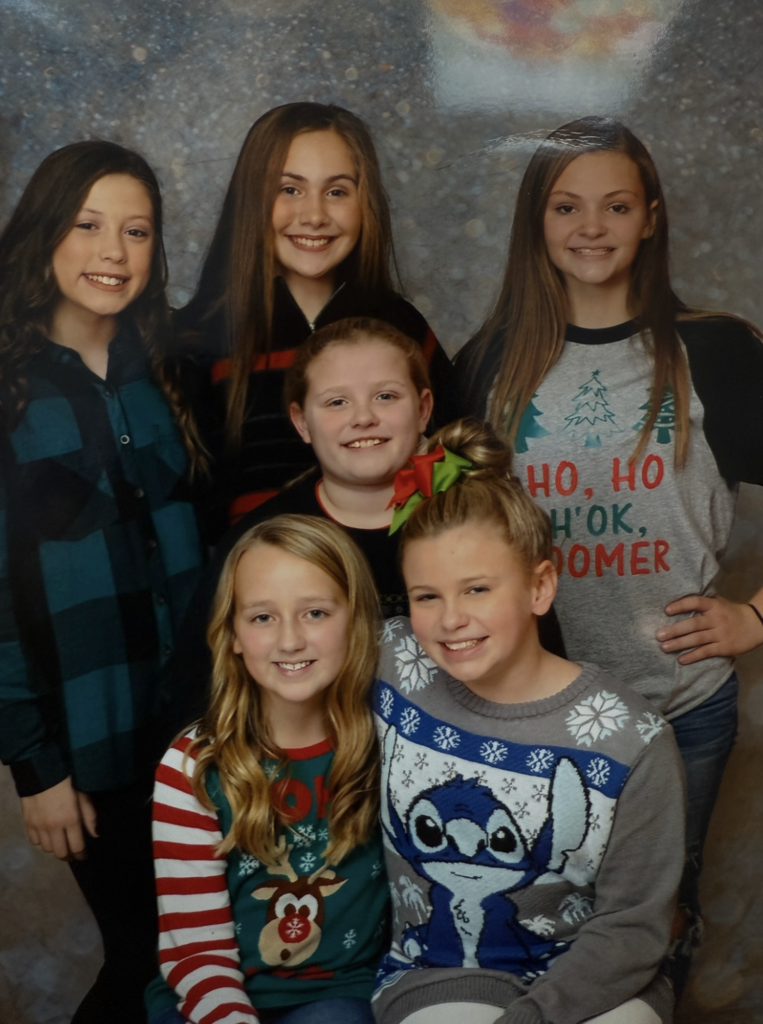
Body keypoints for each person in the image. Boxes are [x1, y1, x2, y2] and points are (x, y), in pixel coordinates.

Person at [448, 116, 763, 976]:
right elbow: (447, 539)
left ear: (650, 216)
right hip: (526, 712)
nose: (591, 227)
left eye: (616, 205)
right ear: (536, 223)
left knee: (653, 927)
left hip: (677, 705)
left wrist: (754, 617)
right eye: (566, 207)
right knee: (523, 923)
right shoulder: (492, 362)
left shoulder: (715, 349)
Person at [373, 418, 685, 1024]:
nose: (450, 619)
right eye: (426, 595)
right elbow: (287, 656)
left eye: (478, 589)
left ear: (540, 586)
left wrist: (533, 1018)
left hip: (594, 980)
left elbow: (631, 926)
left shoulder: (633, 740)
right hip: (438, 974)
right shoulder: (394, 662)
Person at [0, 140, 206, 1023]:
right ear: (45, 235)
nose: (112, 253)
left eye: (136, 231)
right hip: (91, 748)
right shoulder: (8, 389)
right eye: (88, 226)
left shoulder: (172, 371)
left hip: (205, 732)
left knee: (205, 958)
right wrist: (35, 767)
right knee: (151, 963)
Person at [167, 317, 567, 729]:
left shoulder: (478, 520)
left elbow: (541, 663)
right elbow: (194, 694)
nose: (363, 418)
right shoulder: (262, 544)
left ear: (424, 409)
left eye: (386, 396)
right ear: (302, 421)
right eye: (336, 402)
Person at [146, 515, 388, 1024]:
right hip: (205, 994)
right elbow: (196, 952)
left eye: (316, 612)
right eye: (262, 618)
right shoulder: (191, 767)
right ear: (232, 633)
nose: (290, 640)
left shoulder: (389, 742)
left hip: (335, 994)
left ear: (356, 619)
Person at [175, 101, 454, 541]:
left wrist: (394, 538)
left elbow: (458, 457)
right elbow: (187, 506)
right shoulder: (201, 337)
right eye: (290, 189)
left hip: (389, 588)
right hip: (261, 589)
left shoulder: (401, 326)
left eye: (337, 191)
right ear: (253, 198)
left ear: (366, 203)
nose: (314, 215)